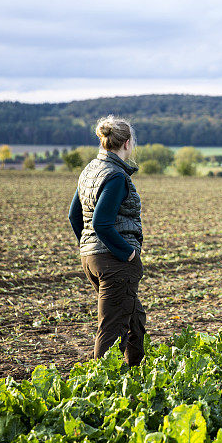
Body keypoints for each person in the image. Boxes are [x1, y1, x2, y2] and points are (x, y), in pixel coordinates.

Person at [68, 115, 147, 366]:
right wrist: (128, 254)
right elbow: (102, 222)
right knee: (111, 330)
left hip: (92, 259)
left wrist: (88, 246)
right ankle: (102, 387)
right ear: (126, 143)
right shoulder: (115, 176)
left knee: (134, 318)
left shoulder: (90, 170)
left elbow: (74, 215)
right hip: (115, 262)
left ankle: (134, 374)